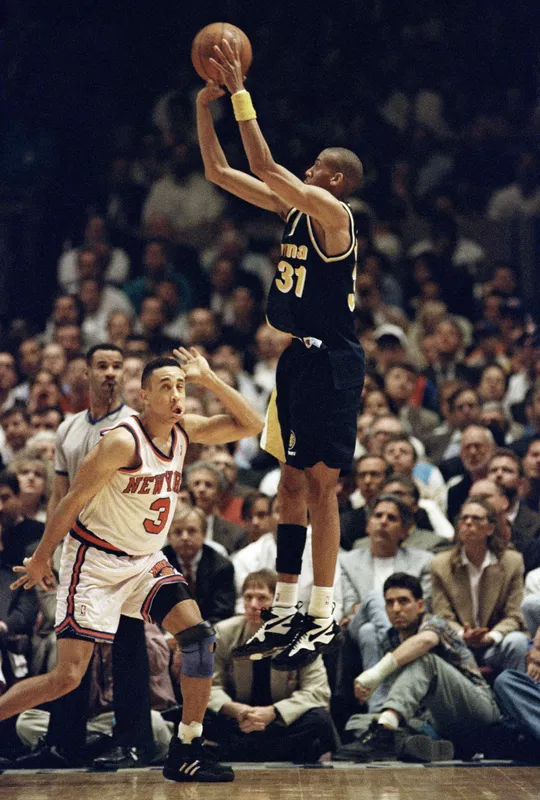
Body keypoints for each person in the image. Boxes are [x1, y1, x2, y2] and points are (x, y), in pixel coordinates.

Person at [3, 348, 263, 783]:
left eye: (181, 386)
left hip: (144, 562)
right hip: (95, 562)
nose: (177, 394)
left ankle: (186, 748)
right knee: (66, 678)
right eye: (166, 387)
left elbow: (253, 425)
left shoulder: (183, 432)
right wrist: (43, 557)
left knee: (198, 639)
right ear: (143, 396)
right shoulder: (122, 441)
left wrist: (210, 380)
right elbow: (72, 500)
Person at [196, 51, 364, 669]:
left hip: (333, 363)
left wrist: (241, 93)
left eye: (318, 166)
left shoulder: (335, 216)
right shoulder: (295, 211)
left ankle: (322, 614)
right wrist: (202, 109)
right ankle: (290, 607)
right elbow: (219, 171)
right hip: (296, 360)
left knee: (322, 487)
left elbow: (263, 162)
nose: (309, 170)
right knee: (289, 484)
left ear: (336, 181)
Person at [348, 573, 500, 762]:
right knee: (357, 723)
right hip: (433, 720)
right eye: (390, 603)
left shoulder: (436, 624)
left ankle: (391, 729)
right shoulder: (391, 639)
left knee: (426, 662)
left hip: (476, 710)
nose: (396, 609)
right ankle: (434, 746)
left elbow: (426, 640)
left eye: (403, 601)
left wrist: (375, 674)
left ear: (420, 605)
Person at [205, 569, 336, 763]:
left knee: (319, 719)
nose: (253, 605)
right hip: (241, 720)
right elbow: (209, 686)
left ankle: (243, 752)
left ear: (278, 603)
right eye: (248, 598)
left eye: (262, 598)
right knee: (200, 714)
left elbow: (318, 692)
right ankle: (270, 752)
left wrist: (273, 712)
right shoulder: (224, 633)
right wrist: (237, 710)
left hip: (281, 723)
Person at [430, 498, 528, 674]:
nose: (468, 522)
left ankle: (517, 695)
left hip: (495, 643)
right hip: (457, 645)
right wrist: (462, 635)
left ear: (490, 528)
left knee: (518, 641)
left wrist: (490, 636)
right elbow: (442, 615)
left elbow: (514, 616)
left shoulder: (512, 562)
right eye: (464, 518)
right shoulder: (440, 564)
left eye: (476, 518)